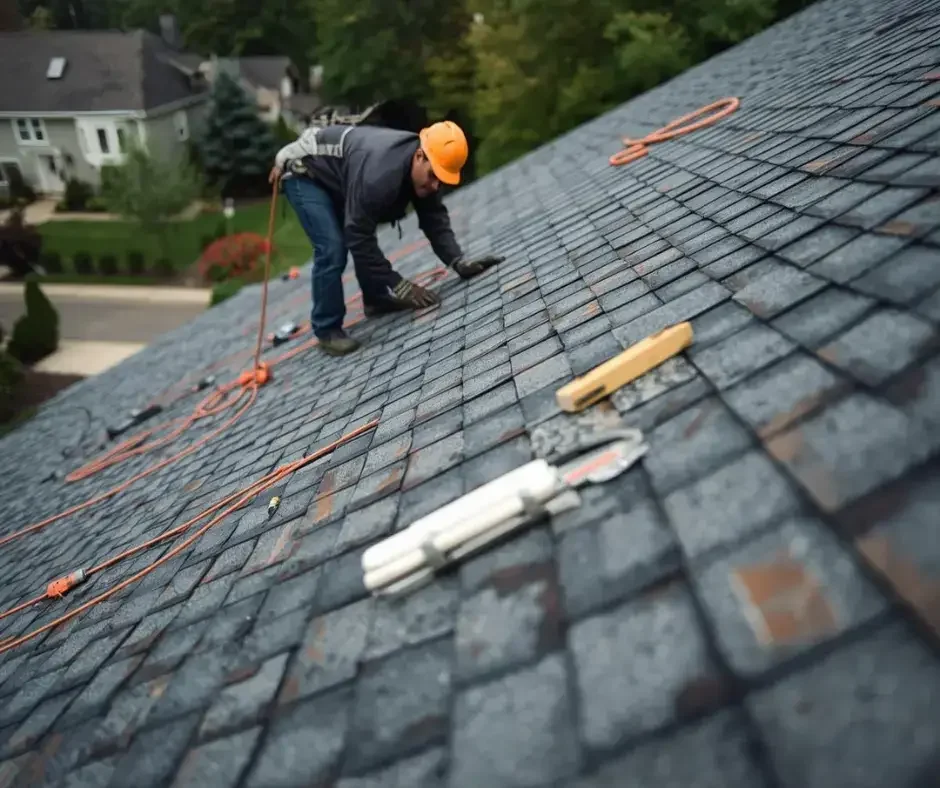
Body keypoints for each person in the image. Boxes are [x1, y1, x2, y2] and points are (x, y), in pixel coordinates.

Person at [269, 120, 504, 356]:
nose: (435, 186)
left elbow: (434, 218)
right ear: (420, 156)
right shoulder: (379, 176)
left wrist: (457, 261)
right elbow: (357, 236)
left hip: (341, 171)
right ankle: (327, 329)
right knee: (332, 248)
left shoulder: (426, 163)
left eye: (441, 180)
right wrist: (397, 284)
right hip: (305, 173)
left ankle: (376, 299)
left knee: (362, 226)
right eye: (433, 176)